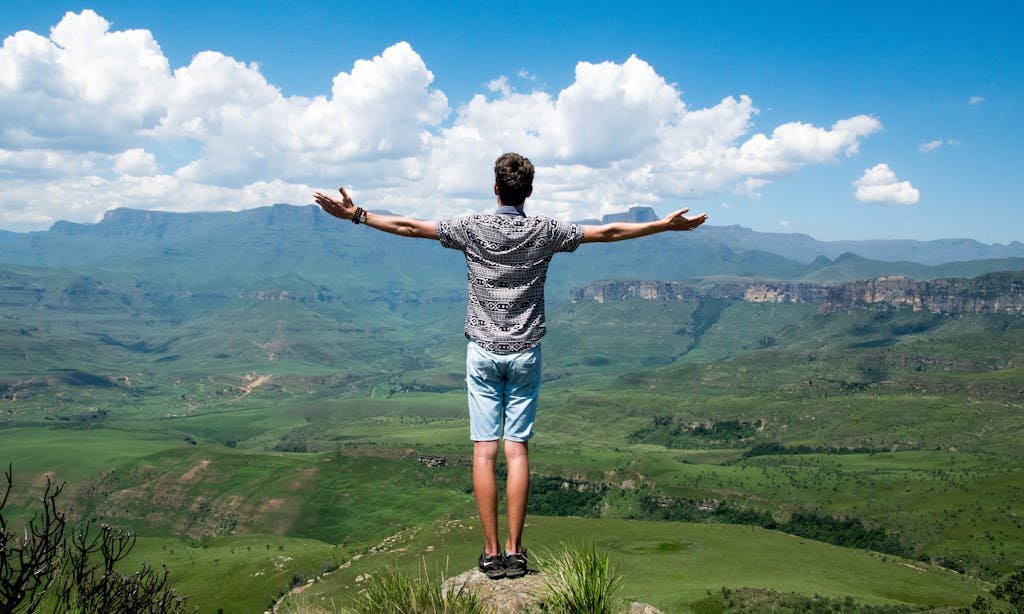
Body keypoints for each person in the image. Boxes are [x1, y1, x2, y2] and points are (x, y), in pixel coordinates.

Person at [314, 153, 707, 580]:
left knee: (484, 451)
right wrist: (664, 225)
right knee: (516, 449)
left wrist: (356, 215)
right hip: (525, 353)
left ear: (495, 188)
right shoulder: (545, 231)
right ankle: (516, 554)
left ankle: (490, 553)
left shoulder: (471, 227)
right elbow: (608, 231)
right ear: (530, 191)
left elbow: (409, 227)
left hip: (482, 352)